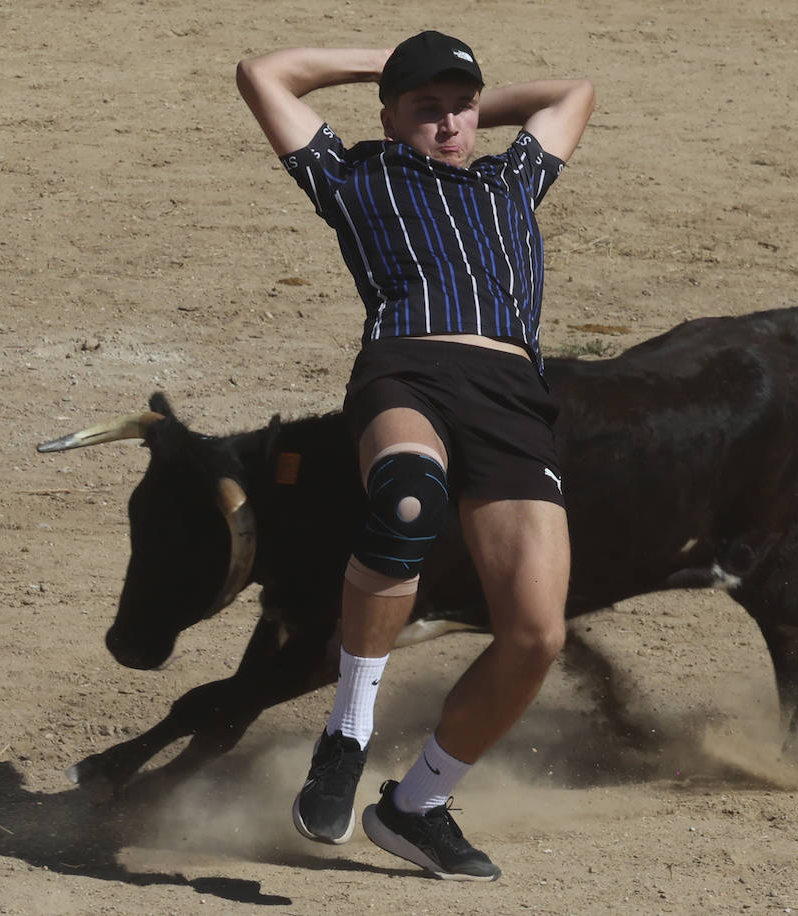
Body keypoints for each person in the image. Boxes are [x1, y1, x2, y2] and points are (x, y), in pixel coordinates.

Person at [236, 30, 594, 882]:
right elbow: (265, 74)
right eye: (425, 110)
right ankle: (347, 735)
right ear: (388, 115)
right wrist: (390, 65)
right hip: (409, 368)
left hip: (513, 401)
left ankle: (416, 806)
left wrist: (466, 96)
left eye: (460, 108)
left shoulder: (511, 178)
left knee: (536, 635)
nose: (449, 124)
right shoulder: (352, 173)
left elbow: (571, 93)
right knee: (406, 501)